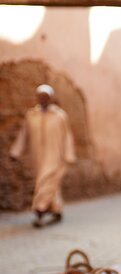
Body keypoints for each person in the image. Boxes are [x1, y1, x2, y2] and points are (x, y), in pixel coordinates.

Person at [10, 84, 76, 227]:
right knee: (48, 183)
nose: (43, 99)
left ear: (51, 98)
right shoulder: (31, 115)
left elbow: (67, 136)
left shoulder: (60, 115)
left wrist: (69, 155)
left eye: (45, 96)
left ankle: (39, 209)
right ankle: (56, 210)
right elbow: (23, 135)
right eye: (40, 96)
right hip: (37, 155)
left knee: (46, 181)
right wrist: (15, 152)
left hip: (56, 155)